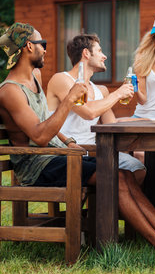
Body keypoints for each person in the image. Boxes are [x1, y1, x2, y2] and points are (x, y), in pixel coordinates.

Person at [0, 22, 155, 259]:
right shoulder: (11, 90)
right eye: (43, 45)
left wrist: (70, 142)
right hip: (38, 166)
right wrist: (70, 100)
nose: (46, 50)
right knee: (114, 176)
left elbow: (43, 121)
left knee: (123, 174)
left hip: (58, 155)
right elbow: (39, 136)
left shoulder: (36, 78)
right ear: (29, 46)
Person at [46, 34, 146, 185]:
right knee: (124, 171)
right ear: (86, 53)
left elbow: (111, 125)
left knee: (137, 167)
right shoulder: (61, 80)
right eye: (99, 51)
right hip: (68, 153)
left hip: (94, 151)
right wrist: (118, 93)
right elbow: (88, 112)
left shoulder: (101, 91)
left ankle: (111, 207)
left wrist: (146, 120)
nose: (105, 56)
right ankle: (110, 206)